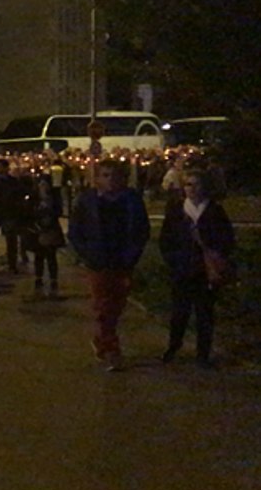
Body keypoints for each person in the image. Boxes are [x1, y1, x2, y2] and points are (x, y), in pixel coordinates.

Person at [68, 159, 150, 371]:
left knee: (116, 305)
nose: (110, 180)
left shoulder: (131, 199)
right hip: (98, 261)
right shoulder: (88, 200)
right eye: (105, 175)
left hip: (123, 260)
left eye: (114, 175)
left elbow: (142, 229)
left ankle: (101, 339)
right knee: (102, 305)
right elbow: (76, 230)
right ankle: (112, 349)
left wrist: (133, 253)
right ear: (97, 178)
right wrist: (86, 254)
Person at [158, 169, 234, 368]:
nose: (191, 189)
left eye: (196, 184)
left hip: (204, 272)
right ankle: (174, 346)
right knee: (179, 313)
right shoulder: (177, 210)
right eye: (188, 184)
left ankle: (203, 353)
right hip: (182, 269)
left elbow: (227, 239)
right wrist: (173, 261)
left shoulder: (214, 211)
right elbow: (166, 239)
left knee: (204, 314)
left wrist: (215, 254)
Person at [28, 176, 65, 298]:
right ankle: (38, 277)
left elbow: (58, 211)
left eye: (45, 184)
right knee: (39, 256)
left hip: (51, 229)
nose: (43, 187)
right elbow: (29, 212)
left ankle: (53, 279)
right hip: (38, 230)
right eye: (41, 184)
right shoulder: (34, 199)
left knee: (51, 256)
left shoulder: (53, 199)